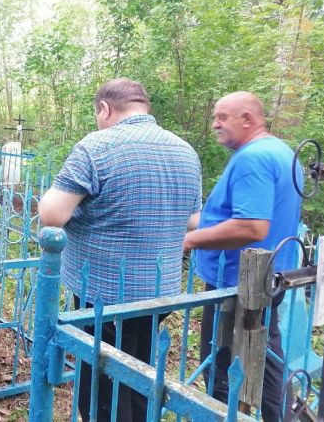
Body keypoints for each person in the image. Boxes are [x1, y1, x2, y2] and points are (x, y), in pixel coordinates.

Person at [38, 78, 202, 422]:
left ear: (105, 108)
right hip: (160, 294)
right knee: (141, 374)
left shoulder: (96, 146)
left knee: (100, 384)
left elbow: (52, 214)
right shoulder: (185, 151)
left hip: (104, 293)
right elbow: (193, 221)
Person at [184, 91, 300, 421]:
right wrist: (190, 220)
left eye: (222, 117)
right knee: (266, 360)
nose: (215, 124)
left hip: (236, 286)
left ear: (248, 119)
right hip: (268, 278)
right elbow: (238, 215)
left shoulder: (253, 159)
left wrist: (189, 240)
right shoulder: (280, 151)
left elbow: (251, 225)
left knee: (222, 368)